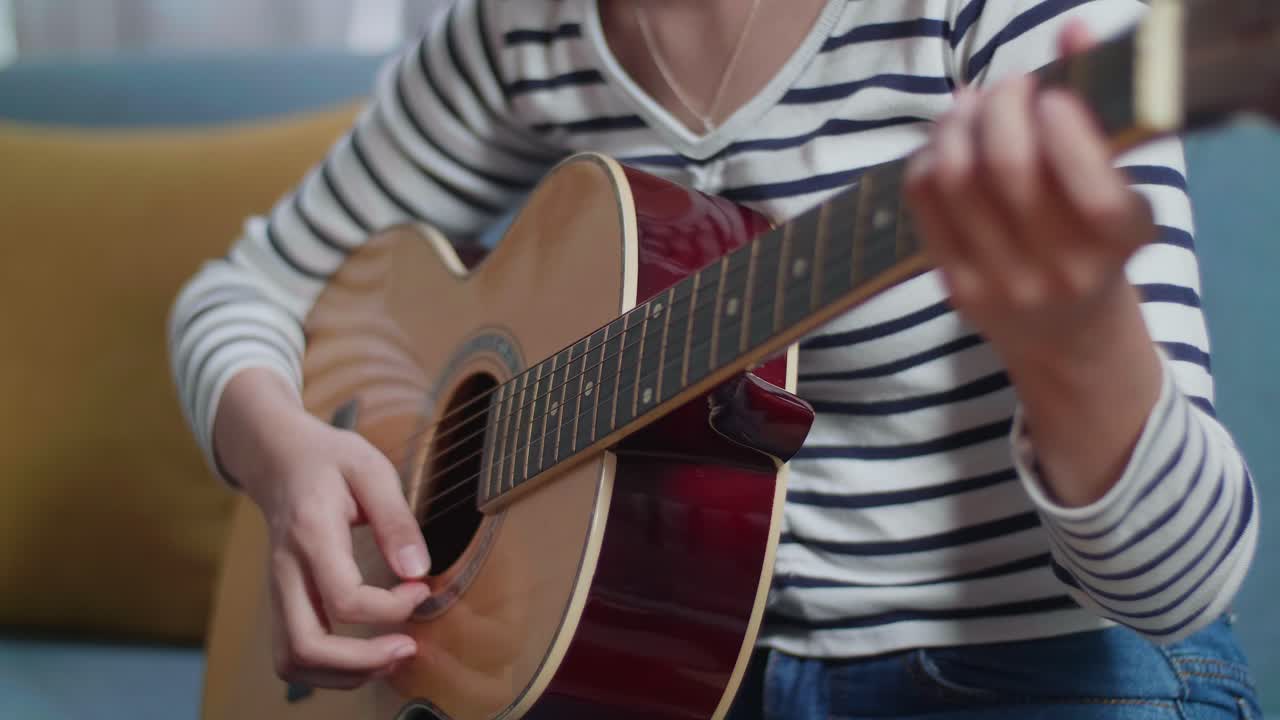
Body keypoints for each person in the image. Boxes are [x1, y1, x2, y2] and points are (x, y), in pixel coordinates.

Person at [167, 0, 1263, 717]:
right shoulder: (519, 33)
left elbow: (1177, 587)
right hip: (671, 681)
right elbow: (245, 290)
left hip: (1040, 669)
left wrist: (1077, 339)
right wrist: (281, 457)